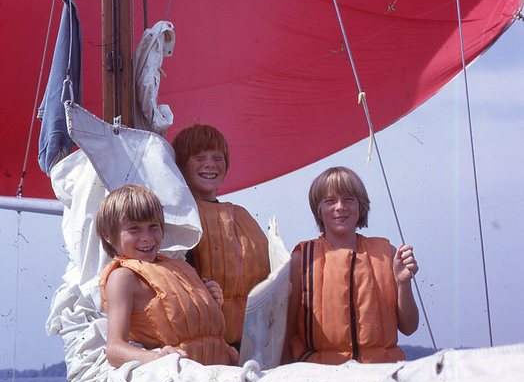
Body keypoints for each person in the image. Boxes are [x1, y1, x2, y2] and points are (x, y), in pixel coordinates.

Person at [283, 166, 419, 365]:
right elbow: (286, 334)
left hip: (380, 372)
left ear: (360, 206)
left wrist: (403, 282)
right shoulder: (301, 259)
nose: (340, 207)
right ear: (318, 209)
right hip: (322, 376)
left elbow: (409, 327)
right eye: (330, 201)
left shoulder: (387, 254)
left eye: (348, 199)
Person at [95, 184, 238, 368]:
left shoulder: (179, 266)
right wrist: (157, 357)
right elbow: (114, 349)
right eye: (134, 229)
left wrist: (210, 302)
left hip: (220, 369)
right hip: (182, 375)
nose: (147, 237)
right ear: (108, 235)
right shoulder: (123, 278)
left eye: (153, 226)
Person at [172, 124, 270, 349]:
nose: (210, 164)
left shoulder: (243, 216)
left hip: (251, 344)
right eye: (199, 158)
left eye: (218, 158)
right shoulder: (177, 218)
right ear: (181, 166)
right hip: (204, 345)